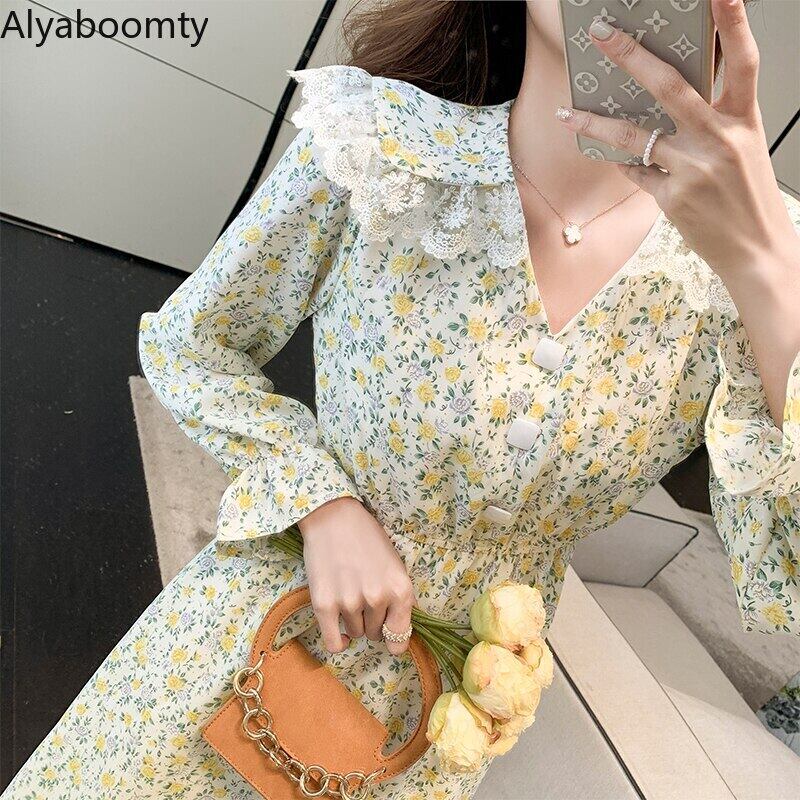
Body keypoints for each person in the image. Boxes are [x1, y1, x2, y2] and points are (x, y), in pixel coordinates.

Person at [5, 0, 799, 797]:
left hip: (433, 726)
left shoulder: (755, 265)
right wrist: (321, 502)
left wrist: (768, 274)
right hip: (247, 643)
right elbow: (192, 342)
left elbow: (785, 585)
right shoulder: (382, 144)